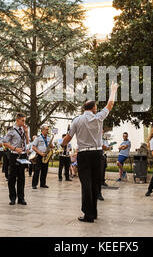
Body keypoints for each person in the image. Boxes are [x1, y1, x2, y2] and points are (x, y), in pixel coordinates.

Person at [61, 82, 118, 223]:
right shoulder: (99, 117)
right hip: (98, 154)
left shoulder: (76, 120)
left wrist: (62, 144)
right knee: (95, 183)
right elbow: (110, 104)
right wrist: (113, 90)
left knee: (86, 183)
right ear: (93, 108)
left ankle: (88, 214)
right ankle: (94, 212)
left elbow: (68, 137)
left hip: (84, 155)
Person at [3, 113, 30, 205]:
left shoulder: (24, 129)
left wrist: (26, 132)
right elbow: (5, 142)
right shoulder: (12, 130)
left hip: (22, 155)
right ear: (17, 120)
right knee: (12, 177)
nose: (24, 122)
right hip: (14, 155)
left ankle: (21, 198)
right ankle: (12, 197)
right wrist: (14, 148)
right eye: (22, 120)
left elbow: (28, 142)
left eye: (24, 120)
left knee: (21, 177)